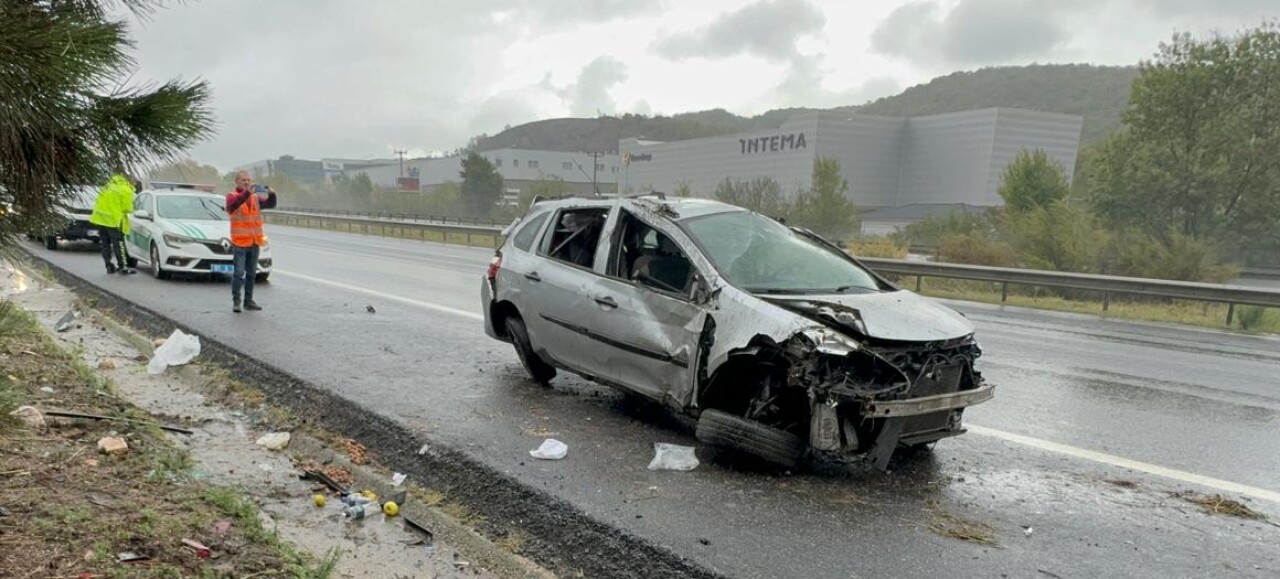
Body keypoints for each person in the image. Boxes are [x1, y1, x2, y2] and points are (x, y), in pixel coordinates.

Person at [225, 171, 277, 313]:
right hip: (240, 242)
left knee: (252, 274)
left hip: (254, 241)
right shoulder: (232, 196)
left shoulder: (255, 197)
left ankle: (249, 301)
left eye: (248, 180)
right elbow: (233, 206)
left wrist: (272, 194)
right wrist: (247, 193)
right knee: (239, 273)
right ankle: (237, 301)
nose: (246, 182)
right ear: (237, 182)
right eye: (243, 180)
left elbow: (269, 204)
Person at [88, 172, 136, 274]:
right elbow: (127, 208)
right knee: (119, 245)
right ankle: (123, 267)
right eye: (134, 183)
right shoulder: (126, 190)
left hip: (101, 220)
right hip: (114, 222)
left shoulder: (107, 186)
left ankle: (108, 265)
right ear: (130, 181)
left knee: (105, 244)